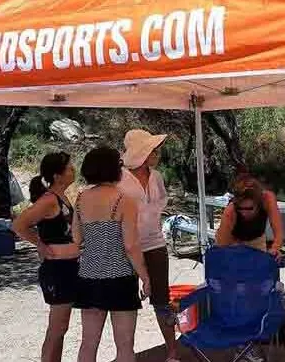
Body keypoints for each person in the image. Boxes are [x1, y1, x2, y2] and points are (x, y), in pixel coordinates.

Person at [73, 146, 151, 362]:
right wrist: (145, 277)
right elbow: (131, 245)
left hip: (88, 277)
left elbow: (77, 239)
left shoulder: (80, 199)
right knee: (125, 347)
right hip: (120, 278)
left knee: (88, 343)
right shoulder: (124, 200)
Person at [117, 129, 180, 362]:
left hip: (155, 242)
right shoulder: (119, 179)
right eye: (154, 150)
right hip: (125, 245)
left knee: (161, 299)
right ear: (143, 153)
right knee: (126, 301)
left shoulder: (157, 177)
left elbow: (160, 203)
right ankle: (126, 353)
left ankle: (172, 351)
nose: (158, 154)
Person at [12, 152, 79, 362]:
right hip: (57, 270)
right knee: (57, 327)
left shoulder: (62, 197)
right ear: (58, 175)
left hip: (69, 267)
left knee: (62, 327)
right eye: (69, 168)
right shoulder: (49, 200)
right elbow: (19, 225)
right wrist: (39, 244)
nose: (73, 170)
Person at [215, 172, 284, 257]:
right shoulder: (231, 210)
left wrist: (275, 248)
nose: (244, 213)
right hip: (233, 240)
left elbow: (278, 231)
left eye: (249, 208)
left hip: (257, 238)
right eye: (240, 208)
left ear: (258, 203)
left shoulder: (267, 199)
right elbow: (222, 245)